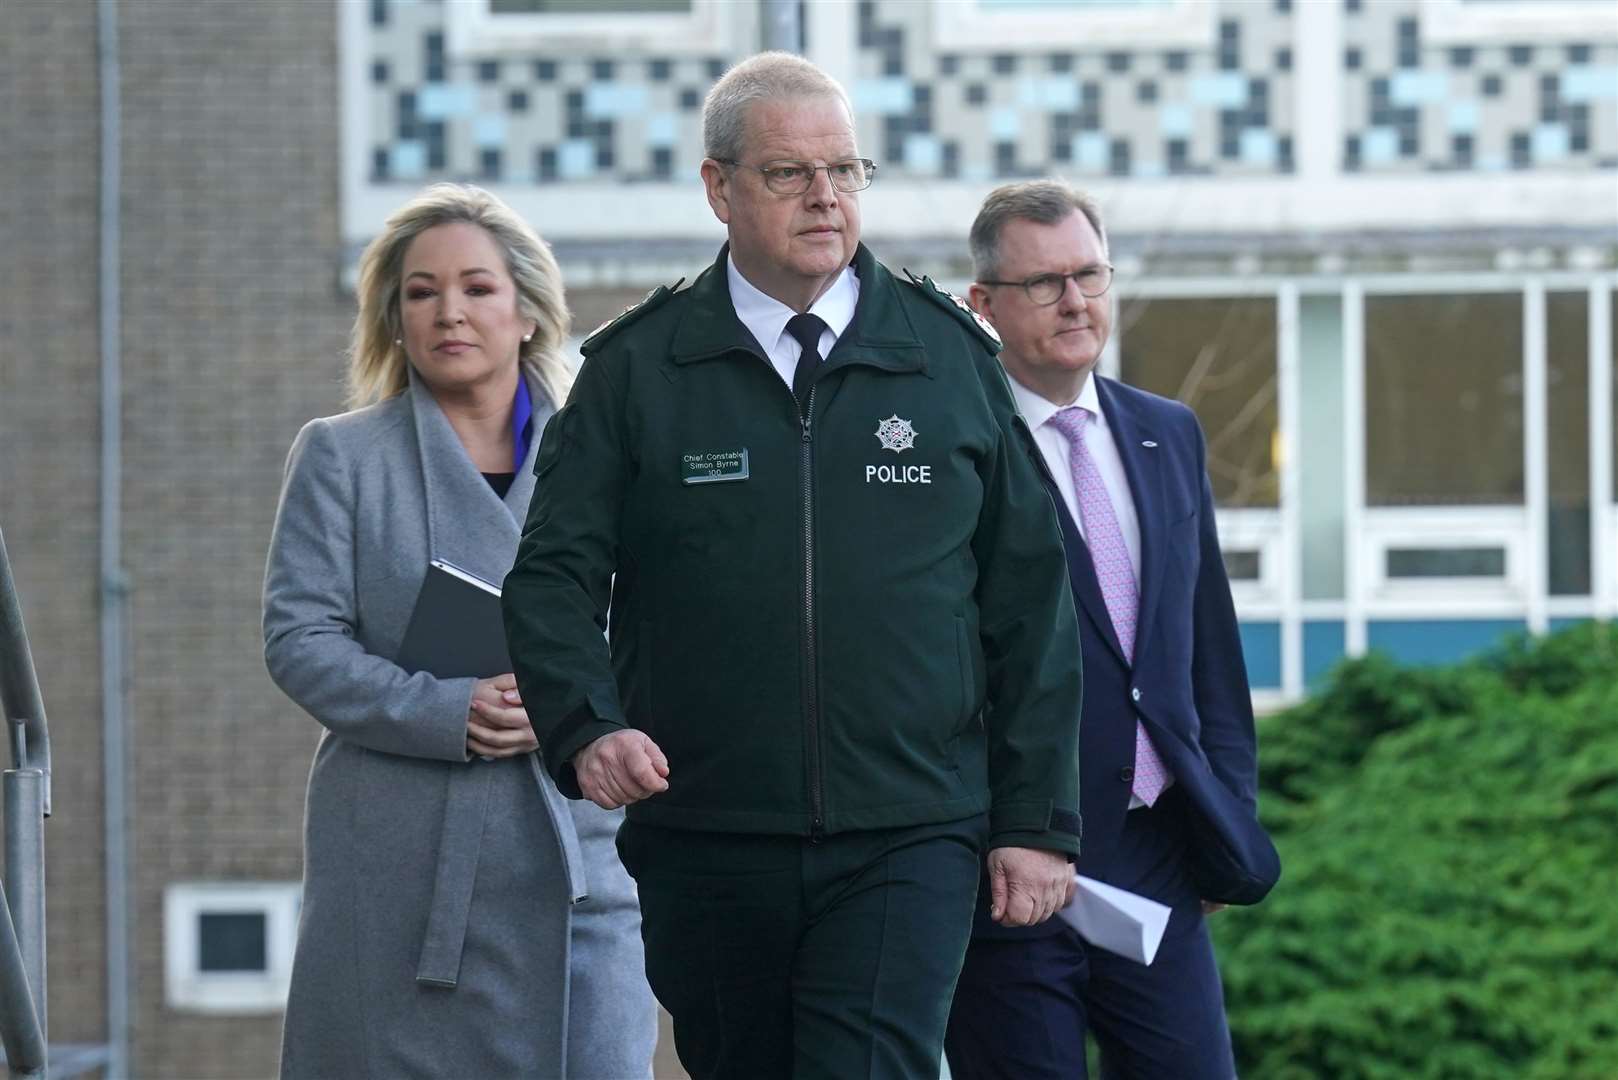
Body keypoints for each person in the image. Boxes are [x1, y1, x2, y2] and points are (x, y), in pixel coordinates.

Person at [503, 53, 1082, 1080]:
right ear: (718, 189)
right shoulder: (638, 369)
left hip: (910, 829)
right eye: (788, 174)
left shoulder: (947, 357)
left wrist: (1035, 821)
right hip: (707, 832)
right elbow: (551, 576)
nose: (825, 196)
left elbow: (1029, 599)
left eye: (845, 170)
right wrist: (585, 727)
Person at [262, 183, 656, 1078]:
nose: (450, 311)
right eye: (421, 292)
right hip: (402, 865)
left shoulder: (610, 458)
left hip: (576, 852)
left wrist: (583, 707)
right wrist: (447, 708)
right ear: (394, 321)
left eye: (477, 288)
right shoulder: (342, 456)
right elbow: (299, 638)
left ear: (526, 312)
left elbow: (667, 630)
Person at [944, 180, 1281, 1080]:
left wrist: (1223, 822)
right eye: (1044, 282)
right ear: (985, 304)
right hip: (1012, 864)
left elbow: (1207, 646)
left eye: (1090, 275)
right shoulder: (956, 451)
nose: (1075, 301)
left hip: (1157, 853)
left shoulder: (1166, 432)